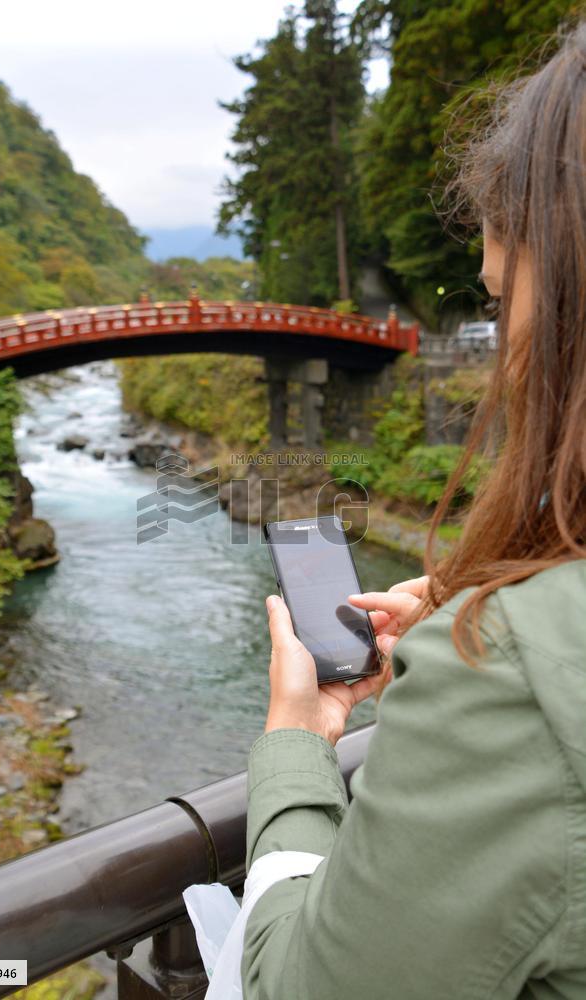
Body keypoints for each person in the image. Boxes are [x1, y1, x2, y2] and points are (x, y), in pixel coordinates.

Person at [242, 23, 586, 1000]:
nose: (497, 354)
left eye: (500, 296)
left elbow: (299, 986)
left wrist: (298, 747)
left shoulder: (511, 675)